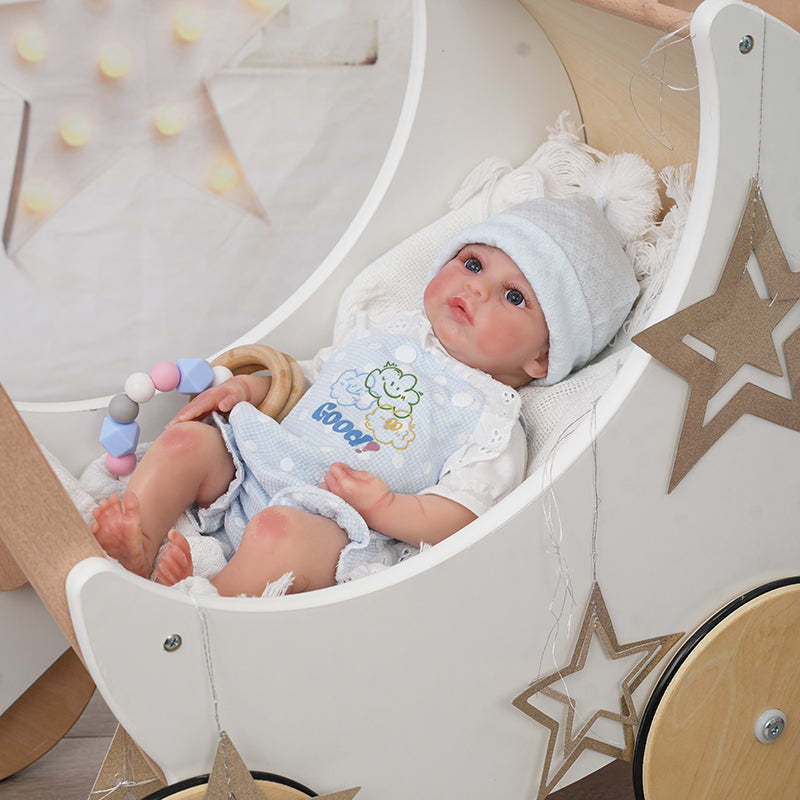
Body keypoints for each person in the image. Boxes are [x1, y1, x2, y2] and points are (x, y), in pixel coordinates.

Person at [90, 196, 639, 596]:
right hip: (257, 465)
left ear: (542, 358)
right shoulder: (385, 329)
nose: (476, 287)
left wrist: (386, 507)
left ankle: (203, 608)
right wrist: (249, 390)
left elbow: (463, 515)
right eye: (473, 263)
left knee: (278, 535)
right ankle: (138, 538)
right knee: (187, 442)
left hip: (333, 523)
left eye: (514, 297)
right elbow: (310, 379)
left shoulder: (495, 423)